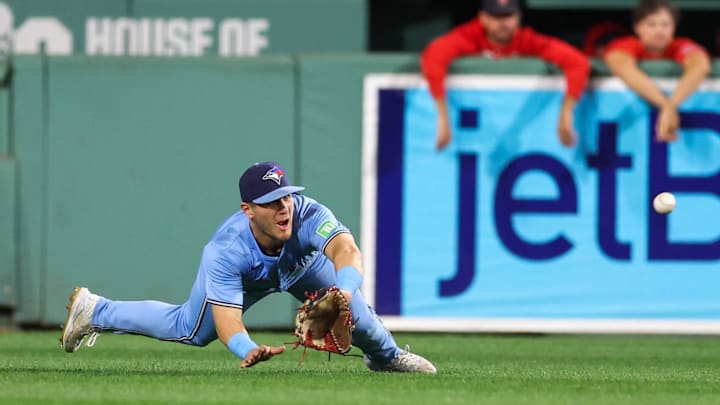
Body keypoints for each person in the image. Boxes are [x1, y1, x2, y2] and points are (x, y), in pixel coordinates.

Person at [60, 161, 436, 373]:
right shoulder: (224, 250)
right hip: (249, 275)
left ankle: (386, 358)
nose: (283, 207)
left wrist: (344, 290)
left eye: (286, 196)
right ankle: (95, 310)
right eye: (271, 202)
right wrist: (246, 348)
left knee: (359, 314)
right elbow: (228, 323)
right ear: (248, 210)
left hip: (301, 268)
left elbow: (346, 250)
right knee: (190, 330)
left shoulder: (308, 214)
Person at [420, 0, 590, 150]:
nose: (503, 23)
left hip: (520, 135)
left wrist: (567, 112)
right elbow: (433, 56)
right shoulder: (469, 36)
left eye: (509, 16)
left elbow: (577, 63)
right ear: (483, 18)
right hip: (472, 130)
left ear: (518, 17)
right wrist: (442, 116)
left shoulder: (526, 40)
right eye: (496, 16)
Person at [603, 0, 711, 142]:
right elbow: (622, 66)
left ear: (674, 27)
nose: (659, 31)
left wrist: (671, 105)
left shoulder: (681, 45)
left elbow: (700, 65)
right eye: (651, 24)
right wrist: (666, 105)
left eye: (665, 24)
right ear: (637, 27)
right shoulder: (624, 45)